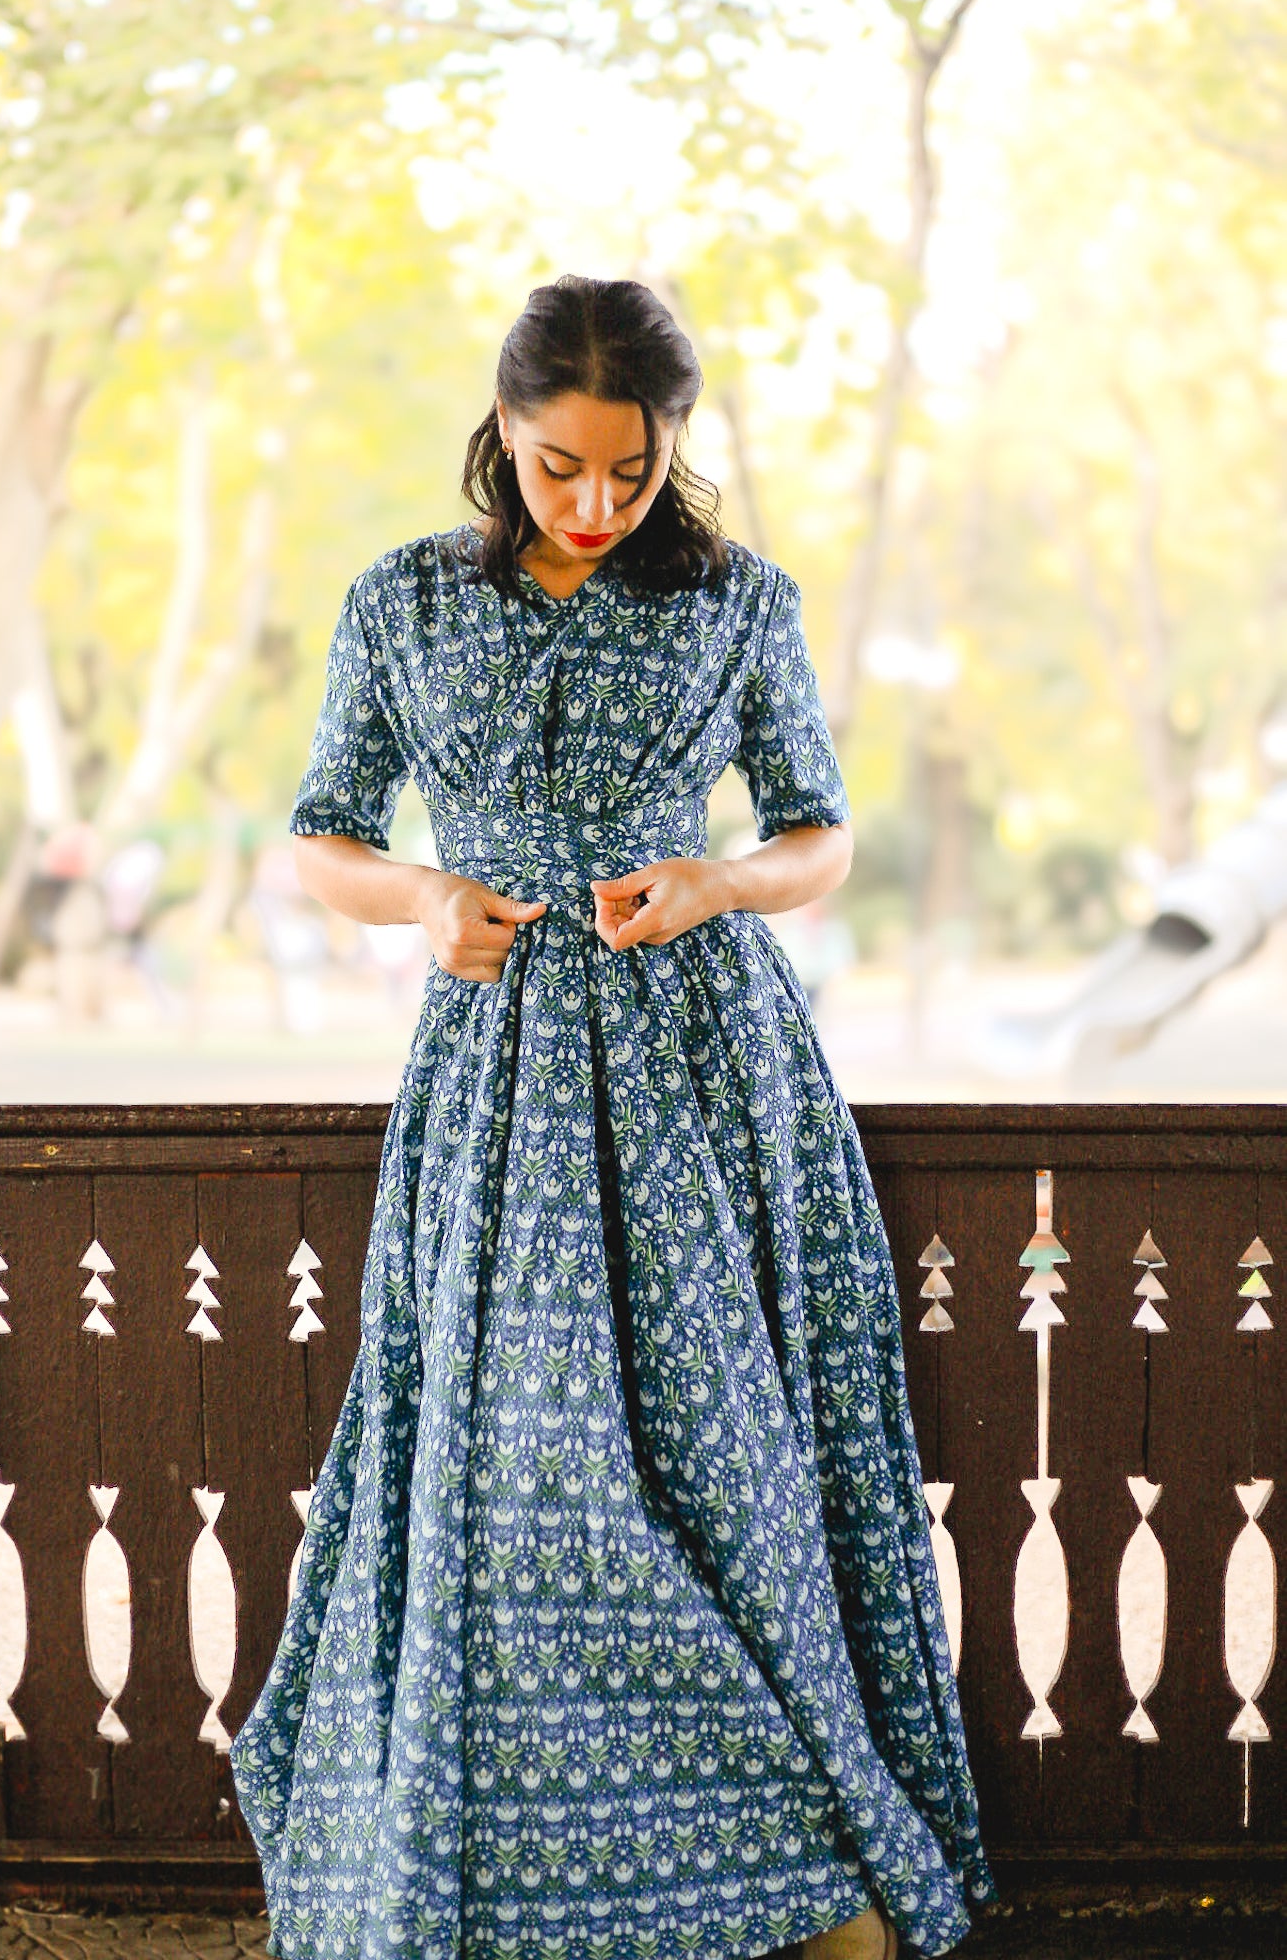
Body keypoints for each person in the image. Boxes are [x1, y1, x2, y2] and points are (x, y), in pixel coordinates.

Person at [228, 276, 998, 1960]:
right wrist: (423, 899)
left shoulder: (741, 603)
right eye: (557, 466)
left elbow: (820, 833)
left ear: (673, 454)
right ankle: (498, 1891)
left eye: (628, 475)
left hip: (702, 1082)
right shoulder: (398, 603)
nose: (589, 505)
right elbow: (319, 839)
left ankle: (798, 1886)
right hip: (495, 1083)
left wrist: (720, 879)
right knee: (519, 1485)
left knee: (725, 1474)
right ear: (502, 430)